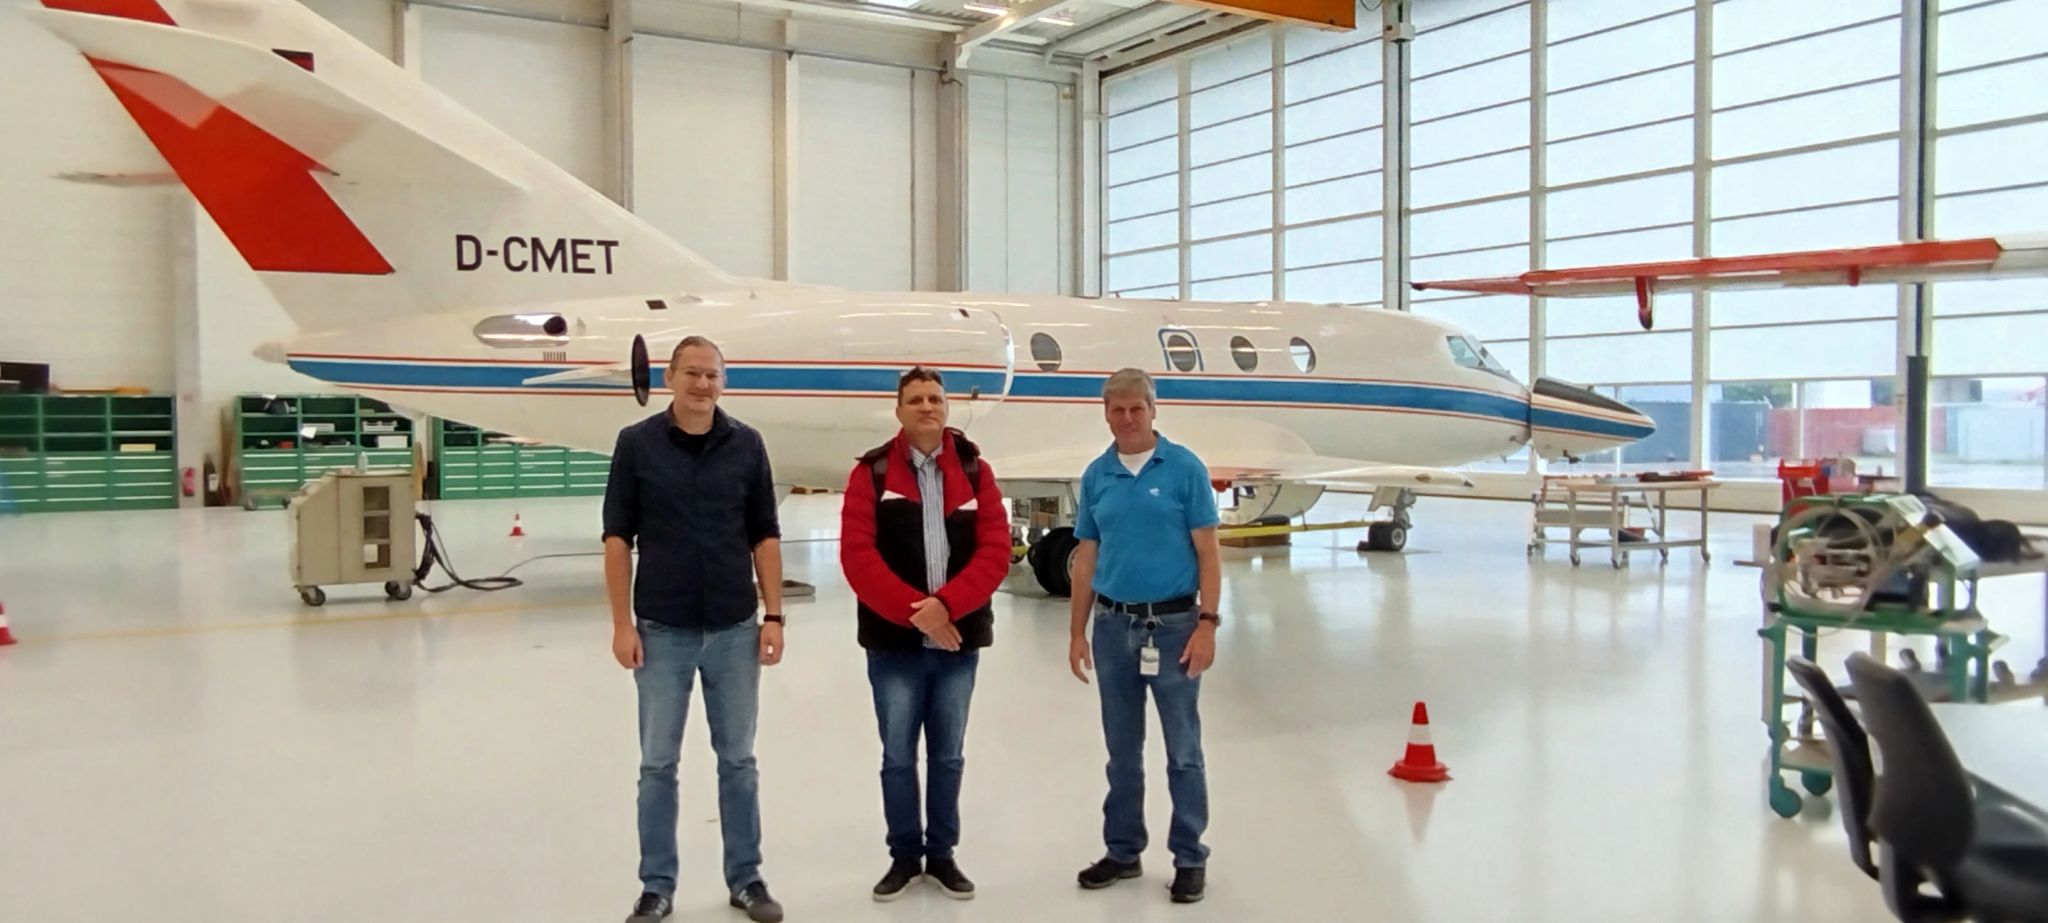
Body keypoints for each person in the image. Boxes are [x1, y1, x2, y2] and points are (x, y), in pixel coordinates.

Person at [603, 336, 787, 923]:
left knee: (738, 761)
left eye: (713, 375)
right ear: (670, 378)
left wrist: (774, 615)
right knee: (658, 765)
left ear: (723, 382)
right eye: (693, 373)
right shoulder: (636, 445)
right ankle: (656, 887)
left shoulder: (747, 445)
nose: (703, 384)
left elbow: (765, 534)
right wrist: (622, 625)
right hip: (662, 631)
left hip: (735, 630)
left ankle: (747, 879)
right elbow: (617, 539)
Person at [839, 366, 1012, 902]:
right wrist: (922, 614)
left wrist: (949, 608)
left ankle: (941, 855)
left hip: (958, 643)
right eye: (915, 399)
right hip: (893, 646)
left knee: (948, 755)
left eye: (935, 398)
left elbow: (995, 551)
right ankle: (903, 857)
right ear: (898, 411)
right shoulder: (870, 473)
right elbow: (857, 557)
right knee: (897, 755)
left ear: (946, 408)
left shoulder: (976, 471)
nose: (926, 407)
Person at [1066, 367, 1222, 905]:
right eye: (1118, 409)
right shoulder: (1097, 475)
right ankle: (1123, 850)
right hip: (1114, 629)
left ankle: (1189, 856)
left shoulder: (1184, 469)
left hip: (1175, 629)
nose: (1128, 418)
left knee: (1183, 751)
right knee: (1122, 752)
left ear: (1153, 411)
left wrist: (1208, 624)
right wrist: (1077, 631)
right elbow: (1087, 557)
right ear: (1106, 414)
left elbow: (1208, 553)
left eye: (1137, 408)